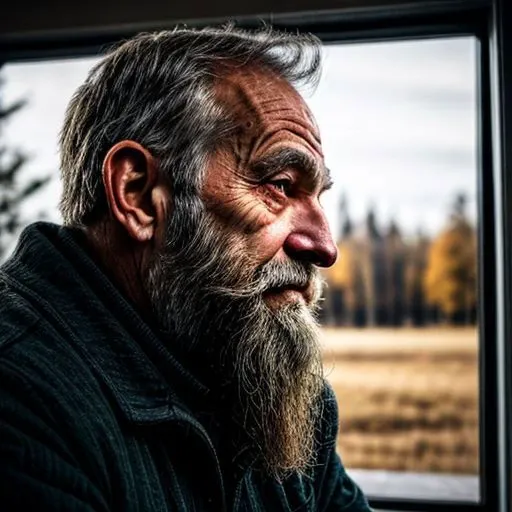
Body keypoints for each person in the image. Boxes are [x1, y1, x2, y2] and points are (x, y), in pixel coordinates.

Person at [0, 26, 372, 511]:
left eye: (317, 196)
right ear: (137, 195)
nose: (324, 246)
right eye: (279, 185)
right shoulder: (22, 400)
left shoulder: (282, 395)